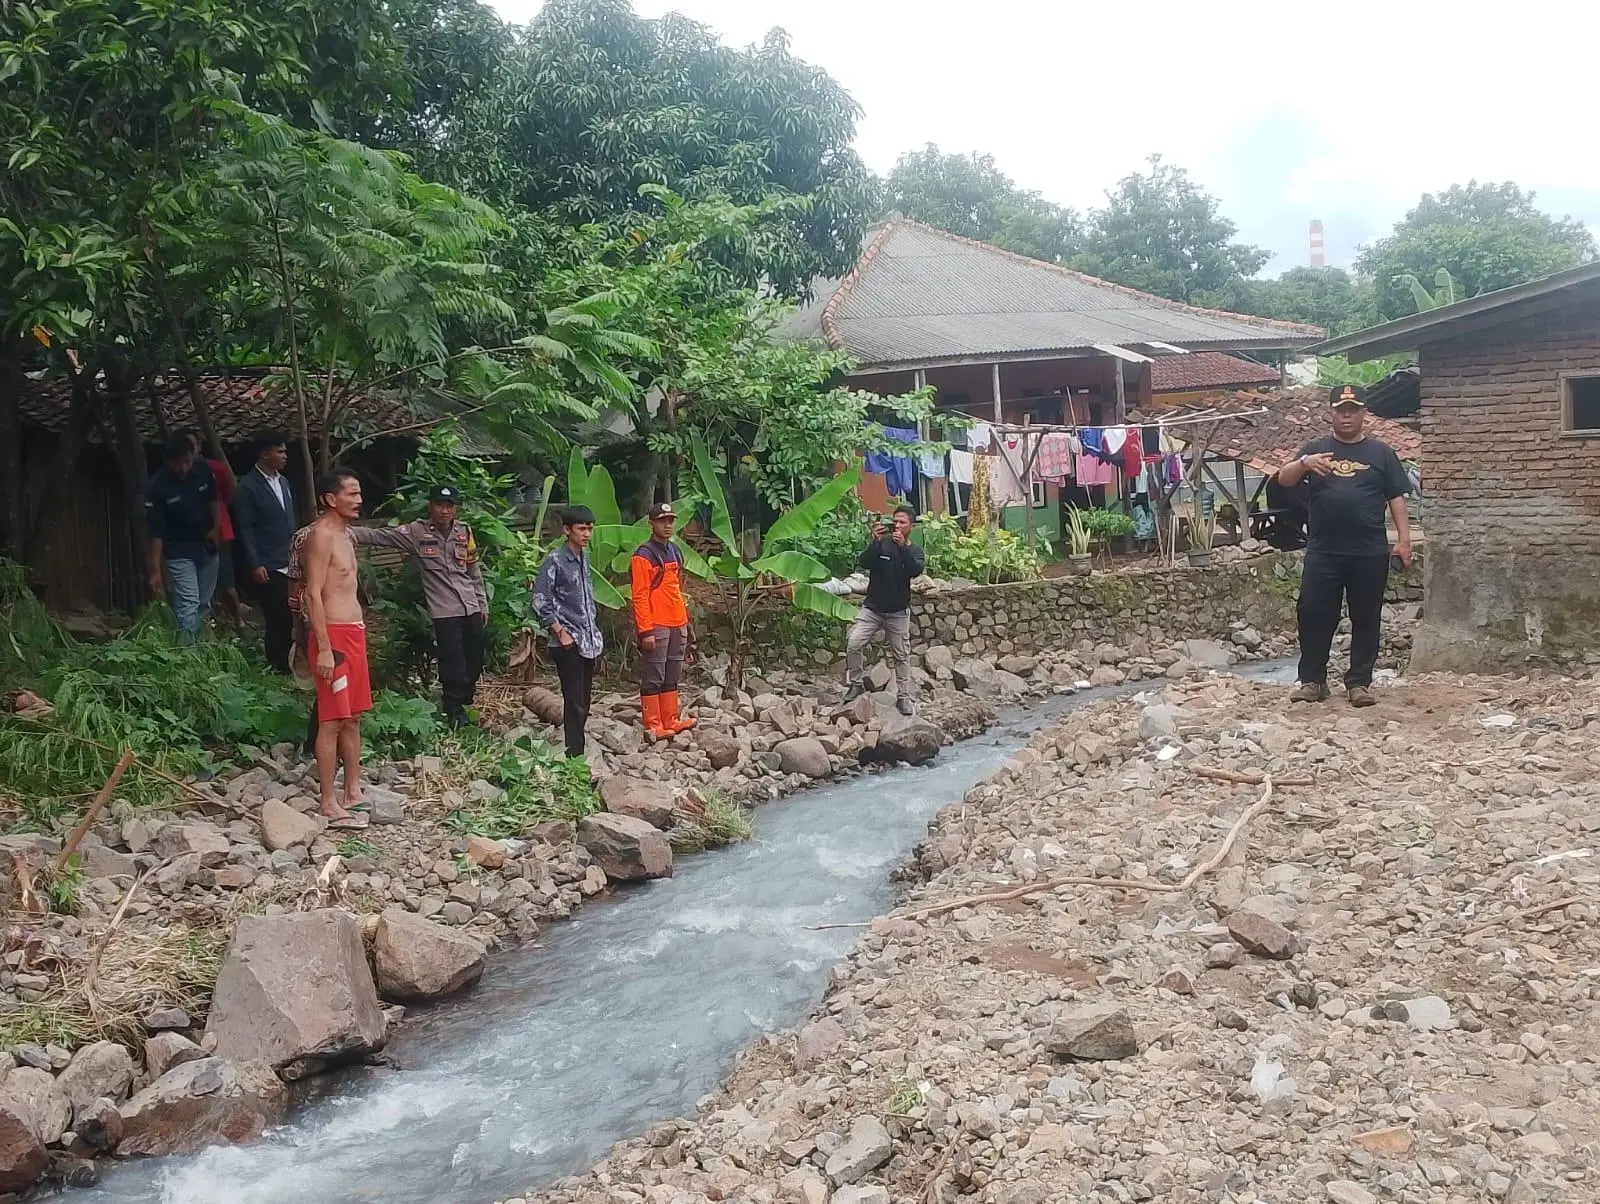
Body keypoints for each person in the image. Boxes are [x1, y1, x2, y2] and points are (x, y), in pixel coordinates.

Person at [1276, 384, 1413, 708]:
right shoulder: (1316, 449)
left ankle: (1359, 683)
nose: (1347, 415)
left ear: (1364, 413)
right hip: (1324, 550)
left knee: (1366, 616)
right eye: (1341, 410)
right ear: (1331, 413)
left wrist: (1404, 540)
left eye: (1353, 410)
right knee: (1312, 613)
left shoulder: (1381, 453)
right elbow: (1284, 479)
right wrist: (1305, 463)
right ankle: (1312, 680)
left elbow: (1397, 498)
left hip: (1369, 550)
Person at [351, 485, 489, 725]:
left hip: (470, 606)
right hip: (445, 611)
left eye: (449, 506)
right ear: (430, 506)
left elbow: (473, 571)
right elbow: (381, 536)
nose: (444, 511)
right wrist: (345, 531)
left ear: (456, 508)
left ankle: (467, 705)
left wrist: (482, 603)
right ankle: (454, 712)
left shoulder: (464, 532)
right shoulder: (416, 531)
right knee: (452, 662)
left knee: (474, 660)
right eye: (439, 505)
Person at [301, 469, 372, 829]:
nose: (359, 500)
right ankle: (328, 799)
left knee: (353, 716)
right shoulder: (321, 536)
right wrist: (325, 648)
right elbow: (312, 593)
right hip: (334, 636)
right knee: (331, 719)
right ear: (331, 498)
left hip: (354, 632)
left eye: (359, 494)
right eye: (352, 493)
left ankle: (353, 789)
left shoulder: (348, 535)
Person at [532, 506, 602, 759]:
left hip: (588, 640)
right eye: (581, 528)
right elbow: (540, 600)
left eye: (590, 529)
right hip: (567, 641)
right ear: (567, 530)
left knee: (584, 700)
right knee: (574, 702)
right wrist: (560, 631)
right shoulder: (555, 560)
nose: (587, 534)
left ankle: (576, 748)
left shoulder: (583, 557)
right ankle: (575, 756)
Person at [843, 504, 926, 715]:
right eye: (895, 521)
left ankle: (904, 697)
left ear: (911, 526)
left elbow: (915, 570)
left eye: (902, 522)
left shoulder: (914, 551)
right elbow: (863, 562)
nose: (897, 525)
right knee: (854, 642)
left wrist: (903, 549)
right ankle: (856, 684)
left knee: (901, 655)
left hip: (898, 612)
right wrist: (875, 542)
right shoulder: (882, 544)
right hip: (873, 608)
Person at [145, 432, 222, 642]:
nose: (183, 468)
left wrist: (217, 528)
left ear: (193, 454)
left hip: (207, 547)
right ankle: (188, 655)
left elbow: (214, 500)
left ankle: (202, 649)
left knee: (204, 604)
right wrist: (154, 571)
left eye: (187, 461)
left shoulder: (203, 469)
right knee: (188, 604)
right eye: (177, 463)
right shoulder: (157, 487)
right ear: (167, 461)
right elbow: (155, 532)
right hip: (179, 552)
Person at [630, 501, 696, 739]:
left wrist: (687, 624)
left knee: (672, 672)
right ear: (651, 524)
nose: (667, 525)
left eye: (670, 521)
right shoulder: (643, 556)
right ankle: (652, 723)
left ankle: (671, 719)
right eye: (662, 521)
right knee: (654, 673)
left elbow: (677, 588)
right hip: (656, 623)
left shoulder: (675, 551)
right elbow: (639, 596)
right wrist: (645, 631)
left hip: (678, 621)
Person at [233, 431, 297, 673]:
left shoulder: (284, 482)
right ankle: (277, 664)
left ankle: (292, 661)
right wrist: (254, 563)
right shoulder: (248, 487)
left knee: (293, 612)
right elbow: (245, 529)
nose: (284, 456)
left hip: (289, 558)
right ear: (264, 453)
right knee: (277, 615)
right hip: (267, 562)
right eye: (279, 451)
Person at [185, 431, 245, 628]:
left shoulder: (214, 469)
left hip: (219, 531)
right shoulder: (178, 472)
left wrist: (218, 516)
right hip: (191, 535)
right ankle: (209, 623)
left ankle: (238, 620)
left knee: (227, 583)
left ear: (199, 447)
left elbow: (228, 494)